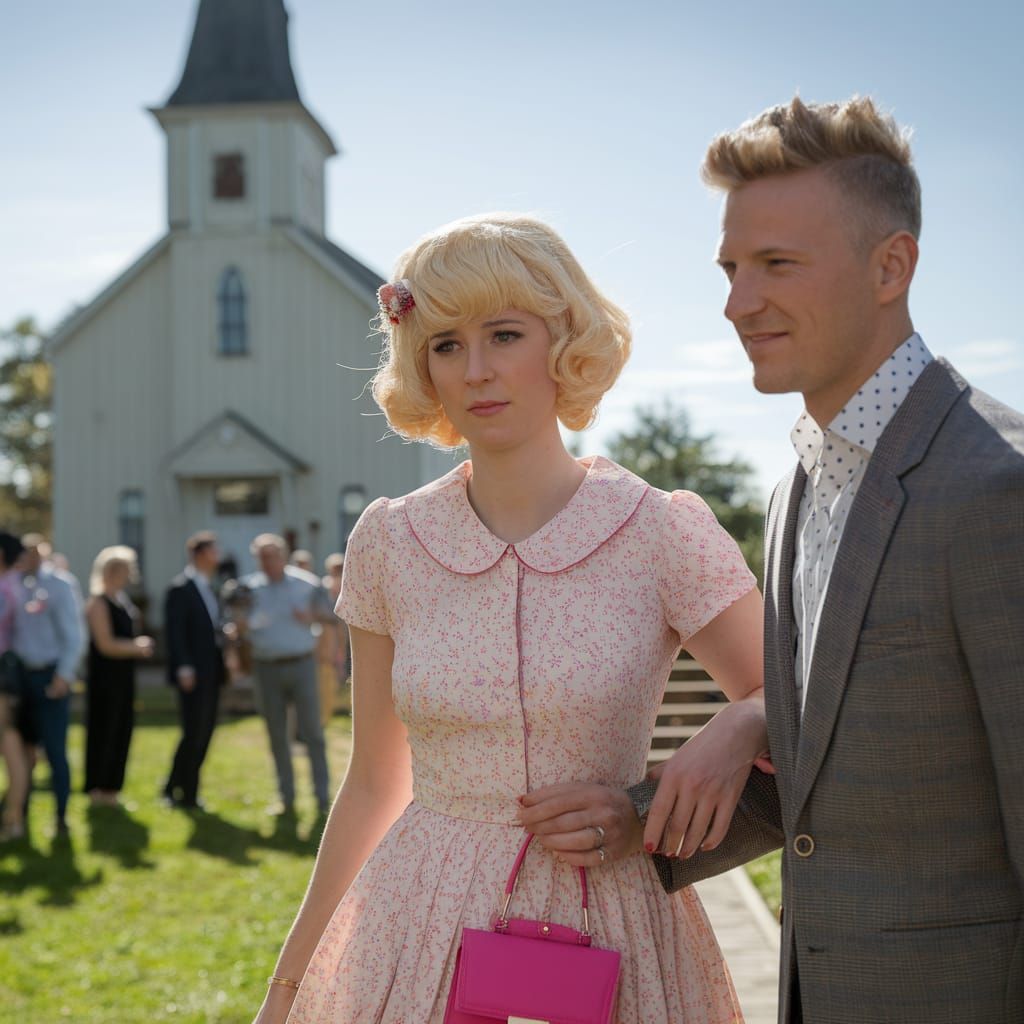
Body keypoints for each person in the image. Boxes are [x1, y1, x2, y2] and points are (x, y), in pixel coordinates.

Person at [532, 96, 1024, 1024]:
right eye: (730, 267)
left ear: (892, 266)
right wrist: (640, 816)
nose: (736, 302)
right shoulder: (793, 488)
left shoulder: (998, 489)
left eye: (776, 265)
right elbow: (839, 774)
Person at [254, 213, 768, 1024]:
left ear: (563, 344)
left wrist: (663, 790)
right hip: (419, 922)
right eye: (447, 343)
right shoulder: (389, 540)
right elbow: (372, 784)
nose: (477, 370)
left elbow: (794, 703)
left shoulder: (660, 529)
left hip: (617, 929)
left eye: (504, 334)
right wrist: (287, 991)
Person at [239, 535, 334, 816]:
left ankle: (322, 797)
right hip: (266, 667)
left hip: (302, 665)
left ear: (283, 555)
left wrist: (312, 617)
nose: (267, 562)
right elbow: (238, 623)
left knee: (313, 733)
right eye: (261, 557)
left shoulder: (307, 583)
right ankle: (287, 798)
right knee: (277, 735)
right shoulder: (249, 589)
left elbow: (330, 615)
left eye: (272, 556)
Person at [10, 533, 84, 837]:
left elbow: (74, 634)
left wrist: (64, 675)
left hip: (50, 676)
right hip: (20, 677)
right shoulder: (13, 584)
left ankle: (62, 816)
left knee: (55, 749)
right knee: (22, 751)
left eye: (32, 552)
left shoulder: (60, 584)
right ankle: (19, 813)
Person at [83, 546, 154, 805]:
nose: (128, 574)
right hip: (105, 678)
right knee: (105, 728)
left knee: (122, 728)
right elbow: (105, 643)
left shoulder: (122, 599)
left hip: (123, 675)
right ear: (110, 570)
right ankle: (98, 787)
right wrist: (136, 647)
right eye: (124, 569)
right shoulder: (98, 602)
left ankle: (113, 787)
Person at [163, 531, 226, 810]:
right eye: (213, 551)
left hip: (212, 671)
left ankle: (173, 786)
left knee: (205, 730)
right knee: (194, 731)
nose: (218, 557)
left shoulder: (210, 587)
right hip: (194, 673)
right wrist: (184, 667)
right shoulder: (181, 588)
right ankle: (185, 793)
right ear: (200, 554)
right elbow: (175, 633)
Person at [0, 532, 29, 841]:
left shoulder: (5, 588)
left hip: (3, 677)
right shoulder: (16, 586)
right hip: (11, 674)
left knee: (10, 745)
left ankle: (13, 819)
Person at [315, 553, 347, 724]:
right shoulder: (325, 587)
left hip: (343, 637)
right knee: (326, 680)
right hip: (329, 641)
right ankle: (322, 719)